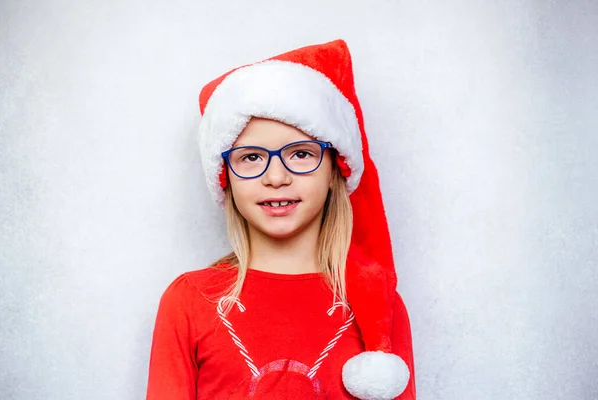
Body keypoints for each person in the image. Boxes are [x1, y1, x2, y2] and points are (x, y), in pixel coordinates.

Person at [146, 39, 416, 400]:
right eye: (252, 157)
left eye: (301, 153)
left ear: (335, 171)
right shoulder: (189, 301)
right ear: (226, 178)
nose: (275, 177)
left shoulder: (381, 308)